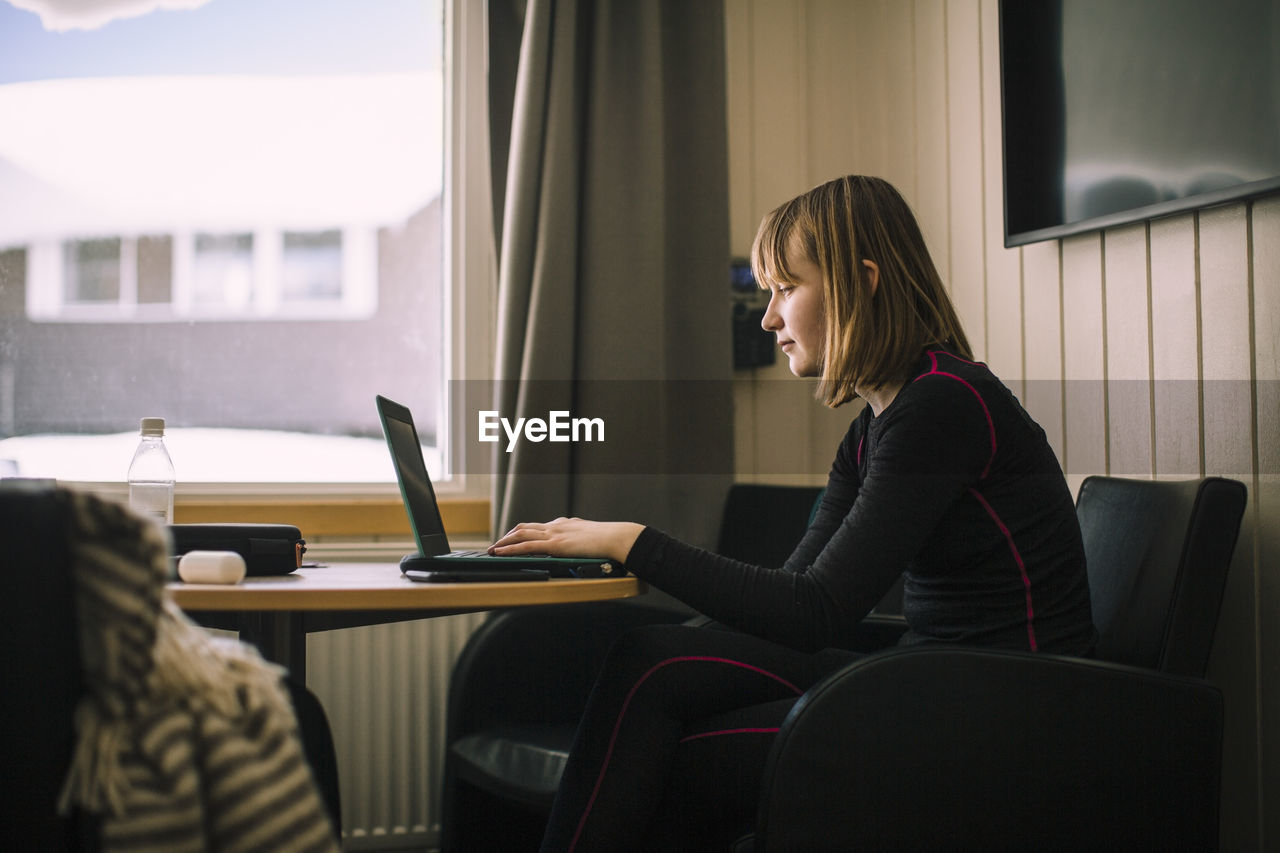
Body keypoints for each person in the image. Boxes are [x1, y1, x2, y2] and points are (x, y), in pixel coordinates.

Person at [489, 175, 1097, 852]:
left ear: (861, 281)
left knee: (679, 760)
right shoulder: (876, 427)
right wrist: (694, 635)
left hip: (1005, 706)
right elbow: (791, 599)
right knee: (653, 661)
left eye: (785, 288)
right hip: (933, 675)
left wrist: (632, 540)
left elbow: (815, 610)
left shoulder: (943, 405)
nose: (768, 317)